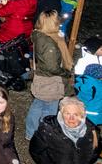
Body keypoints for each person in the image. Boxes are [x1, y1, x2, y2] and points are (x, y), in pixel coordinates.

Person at [26, 9, 75, 139]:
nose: (59, 21)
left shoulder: (39, 34)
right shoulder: (49, 43)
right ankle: (43, 135)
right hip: (51, 80)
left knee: (38, 105)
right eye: (57, 19)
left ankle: (31, 133)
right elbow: (52, 67)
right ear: (52, 23)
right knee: (50, 109)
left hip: (42, 78)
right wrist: (65, 72)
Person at [29, 97, 101, 163]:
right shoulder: (47, 130)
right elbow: (35, 151)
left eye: (75, 114)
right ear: (61, 114)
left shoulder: (92, 132)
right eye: (67, 114)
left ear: (82, 115)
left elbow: (95, 153)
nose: (71, 118)